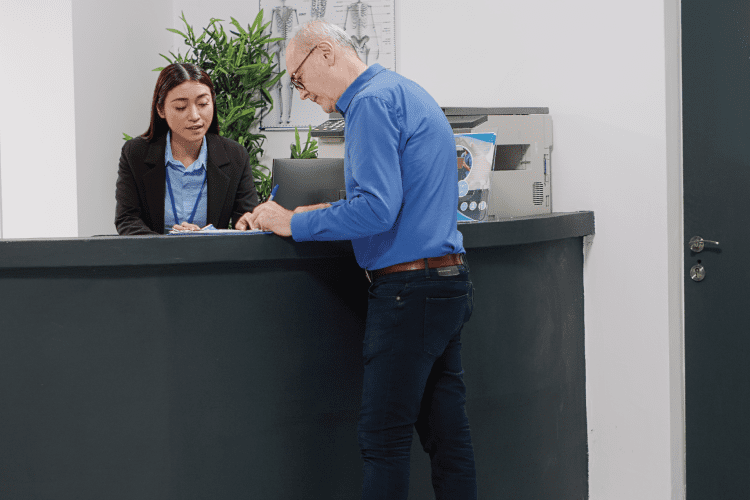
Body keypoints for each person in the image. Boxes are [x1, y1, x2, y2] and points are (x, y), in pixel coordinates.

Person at [237, 20, 477, 500]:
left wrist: (292, 222)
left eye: (298, 80)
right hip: (448, 283)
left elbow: (375, 209)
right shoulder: (404, 91)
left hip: (408, 293)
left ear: (324, 53)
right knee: (448, 441)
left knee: (383, 442)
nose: (301, 94)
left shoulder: (367, 103)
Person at [115, 63, 259, 235]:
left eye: (203, 104)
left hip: (212, 259)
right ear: (161, 109)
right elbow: (127, 219)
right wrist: (168, 247)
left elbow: (245, 224)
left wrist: (206, 238)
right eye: (181, 107)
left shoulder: (235, 155)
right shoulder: (135, 153)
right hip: (154, 259)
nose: (194, 116)